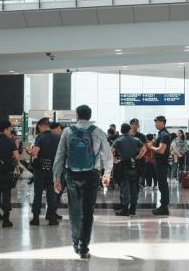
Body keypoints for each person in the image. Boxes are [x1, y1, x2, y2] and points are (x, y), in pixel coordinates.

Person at [53, 105, 112, 259]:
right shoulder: (98, 131)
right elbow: (108, 155)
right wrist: (107, 174)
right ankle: (83, 247)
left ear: (77, 115)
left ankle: (75, 243)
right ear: (90, 115)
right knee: (88, 212)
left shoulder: (67, 132)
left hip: (72, 175)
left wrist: (56, 179)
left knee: (74, 211)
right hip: (91, 175)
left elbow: (59, 156)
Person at [30, 117, 61, 226]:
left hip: (40, 170)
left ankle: (35, 218)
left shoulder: (40, 138)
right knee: (52, 194)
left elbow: (35, 153)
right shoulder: (59, 138)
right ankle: (52, 218)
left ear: (41, 126)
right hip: (53, 170)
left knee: (38, 193)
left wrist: (30, 152)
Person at [113, 123, 144, 216]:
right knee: (134, 187)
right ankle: (133, 208)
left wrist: (114, 159)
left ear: (121, 130)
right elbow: (144, 149)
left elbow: (111, 150)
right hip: (133, 165)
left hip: (123, 165)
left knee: (125, 187)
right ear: (129, 130)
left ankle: (125, 209)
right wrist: (138, 156)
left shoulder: (118, 140)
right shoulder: (136, 139)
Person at [149, 115, 172, 216]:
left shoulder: (165, 135)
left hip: (161, 163)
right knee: (161, 185)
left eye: (157, 122)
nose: (155, 124)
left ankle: (164, 207)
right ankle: (162, 206)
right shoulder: (160, 134)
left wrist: (151, 147)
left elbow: (161, 150)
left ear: (163, 122)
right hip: (158, 162)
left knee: (163, 185)